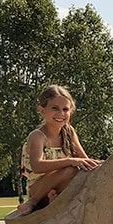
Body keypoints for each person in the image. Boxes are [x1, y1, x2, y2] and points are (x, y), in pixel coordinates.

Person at [11, 85, 101, 217]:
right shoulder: (38, 136)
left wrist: (103, 164)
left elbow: (85, 160)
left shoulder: (69, 132)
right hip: (38, 188)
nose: (61, 114)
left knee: (84, 170)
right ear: (42, 110)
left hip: (62, 186)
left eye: (66, 109)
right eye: (55, 108)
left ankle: (56, 198)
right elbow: (37, 166)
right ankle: (33, 202)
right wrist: (70, 160)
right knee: (71, 169)